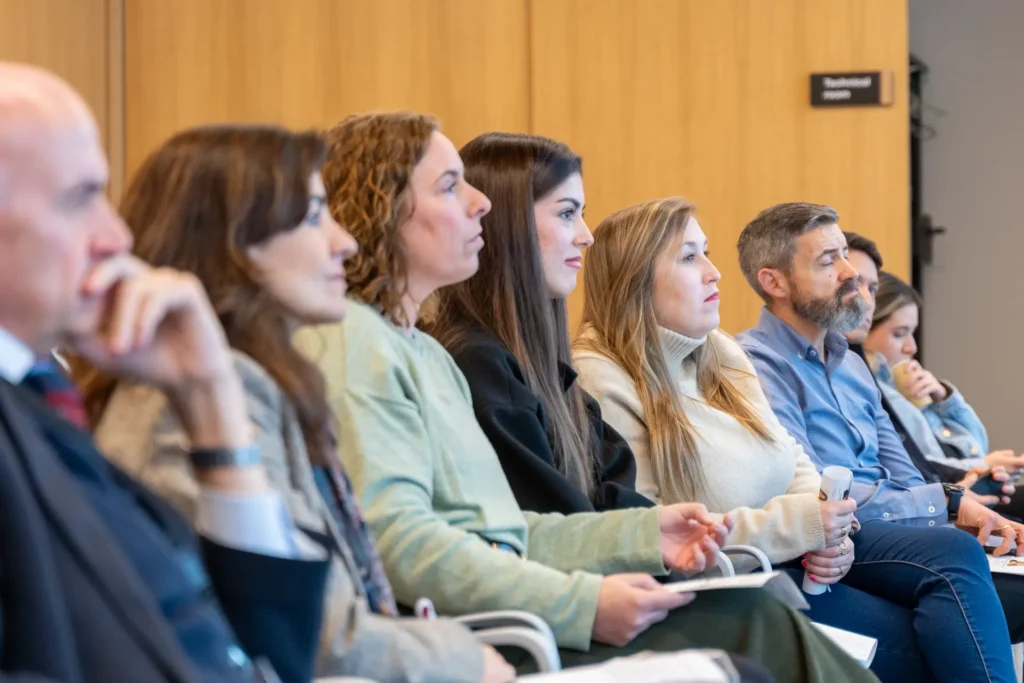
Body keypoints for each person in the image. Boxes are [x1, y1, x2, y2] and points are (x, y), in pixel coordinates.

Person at [301, 111, 879, 682]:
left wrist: (645, 533)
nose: (480, 204)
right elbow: (403, 546)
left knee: (762, 617)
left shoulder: (421, 352)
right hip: (486, 636)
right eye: (451, 187)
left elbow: (508, 531)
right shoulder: (364, 345)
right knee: (757, 626)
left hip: (514, 613)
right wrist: (581, 600)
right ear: (383, 206)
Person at [72, 124, 514, 683]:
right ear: (232, 243)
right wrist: (462, 657)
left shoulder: (261, 379)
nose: (345, 241)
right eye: (312, 217)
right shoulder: (184, 399)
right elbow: (313, 638)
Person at [570, 196, 1002, 682]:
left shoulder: (718, 350)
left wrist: (827, 530)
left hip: (798, 558)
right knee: (946, 629)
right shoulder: (603, 376)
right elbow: (655, 531)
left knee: (955, 590)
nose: (714, 272)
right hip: (730, 584)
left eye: (706, 252)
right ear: (634, 279)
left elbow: (793, 458)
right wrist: (808, 525)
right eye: (690, 258)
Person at [0, 63, 329, 682]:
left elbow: (262, 657)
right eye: (79, 199)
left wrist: (210, 402)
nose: (116, 235)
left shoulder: (41, 398)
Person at [735, 202, 1024, 683]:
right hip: (833, 535)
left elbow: (903, 472)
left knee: (978, 559)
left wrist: (951, 506)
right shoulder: (755, 364)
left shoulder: (852, 365)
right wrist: (946, 505)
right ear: (775, 282)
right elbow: (812, 489)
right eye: (828, 261)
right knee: (954, 553)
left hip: (888, 531)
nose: (850, 273)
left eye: (844, 255)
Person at [424, 132, 652, 516]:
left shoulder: (546, 372)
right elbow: (559, 523)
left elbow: (616, 496)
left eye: (581, 214)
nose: (587, 236)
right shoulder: (478, 365)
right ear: (508, 225)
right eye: (567, 213)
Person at [844, 233, 1021, 506]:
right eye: (899, 334)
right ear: (865, 329)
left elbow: (977, 445)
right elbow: (918, 467)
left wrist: (943, 400)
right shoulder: (871, 389)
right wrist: (982, 466)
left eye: (912, 333)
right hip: (935, 493)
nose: (911, 347)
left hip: (947, 489)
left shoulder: (902, 389)